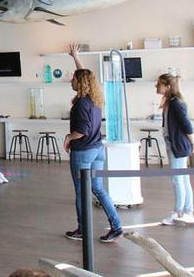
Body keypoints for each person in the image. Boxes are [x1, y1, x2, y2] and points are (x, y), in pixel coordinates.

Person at [64, 43, 123, 243]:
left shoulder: (81, 104)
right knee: (98, 189)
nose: (71, 80)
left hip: (83, 152)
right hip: (98, 149)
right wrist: (76, 57)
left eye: (73, 78)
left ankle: (82, 229)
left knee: (81, 192)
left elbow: (82, 131)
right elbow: (86, 74)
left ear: (79, 83)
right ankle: (116, 226)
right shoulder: (94, 99)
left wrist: (68, 137)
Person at [156, 73, 194, 226]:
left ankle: (179, 212)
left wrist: (193, 144)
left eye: (159, 84)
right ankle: (187, 211)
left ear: (168, 87)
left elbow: (186, 124)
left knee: (178, 179)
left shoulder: (175, 103)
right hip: (175, 144)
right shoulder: (171, 102)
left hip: (178, 146)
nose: (156, 86)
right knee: (183, 179)